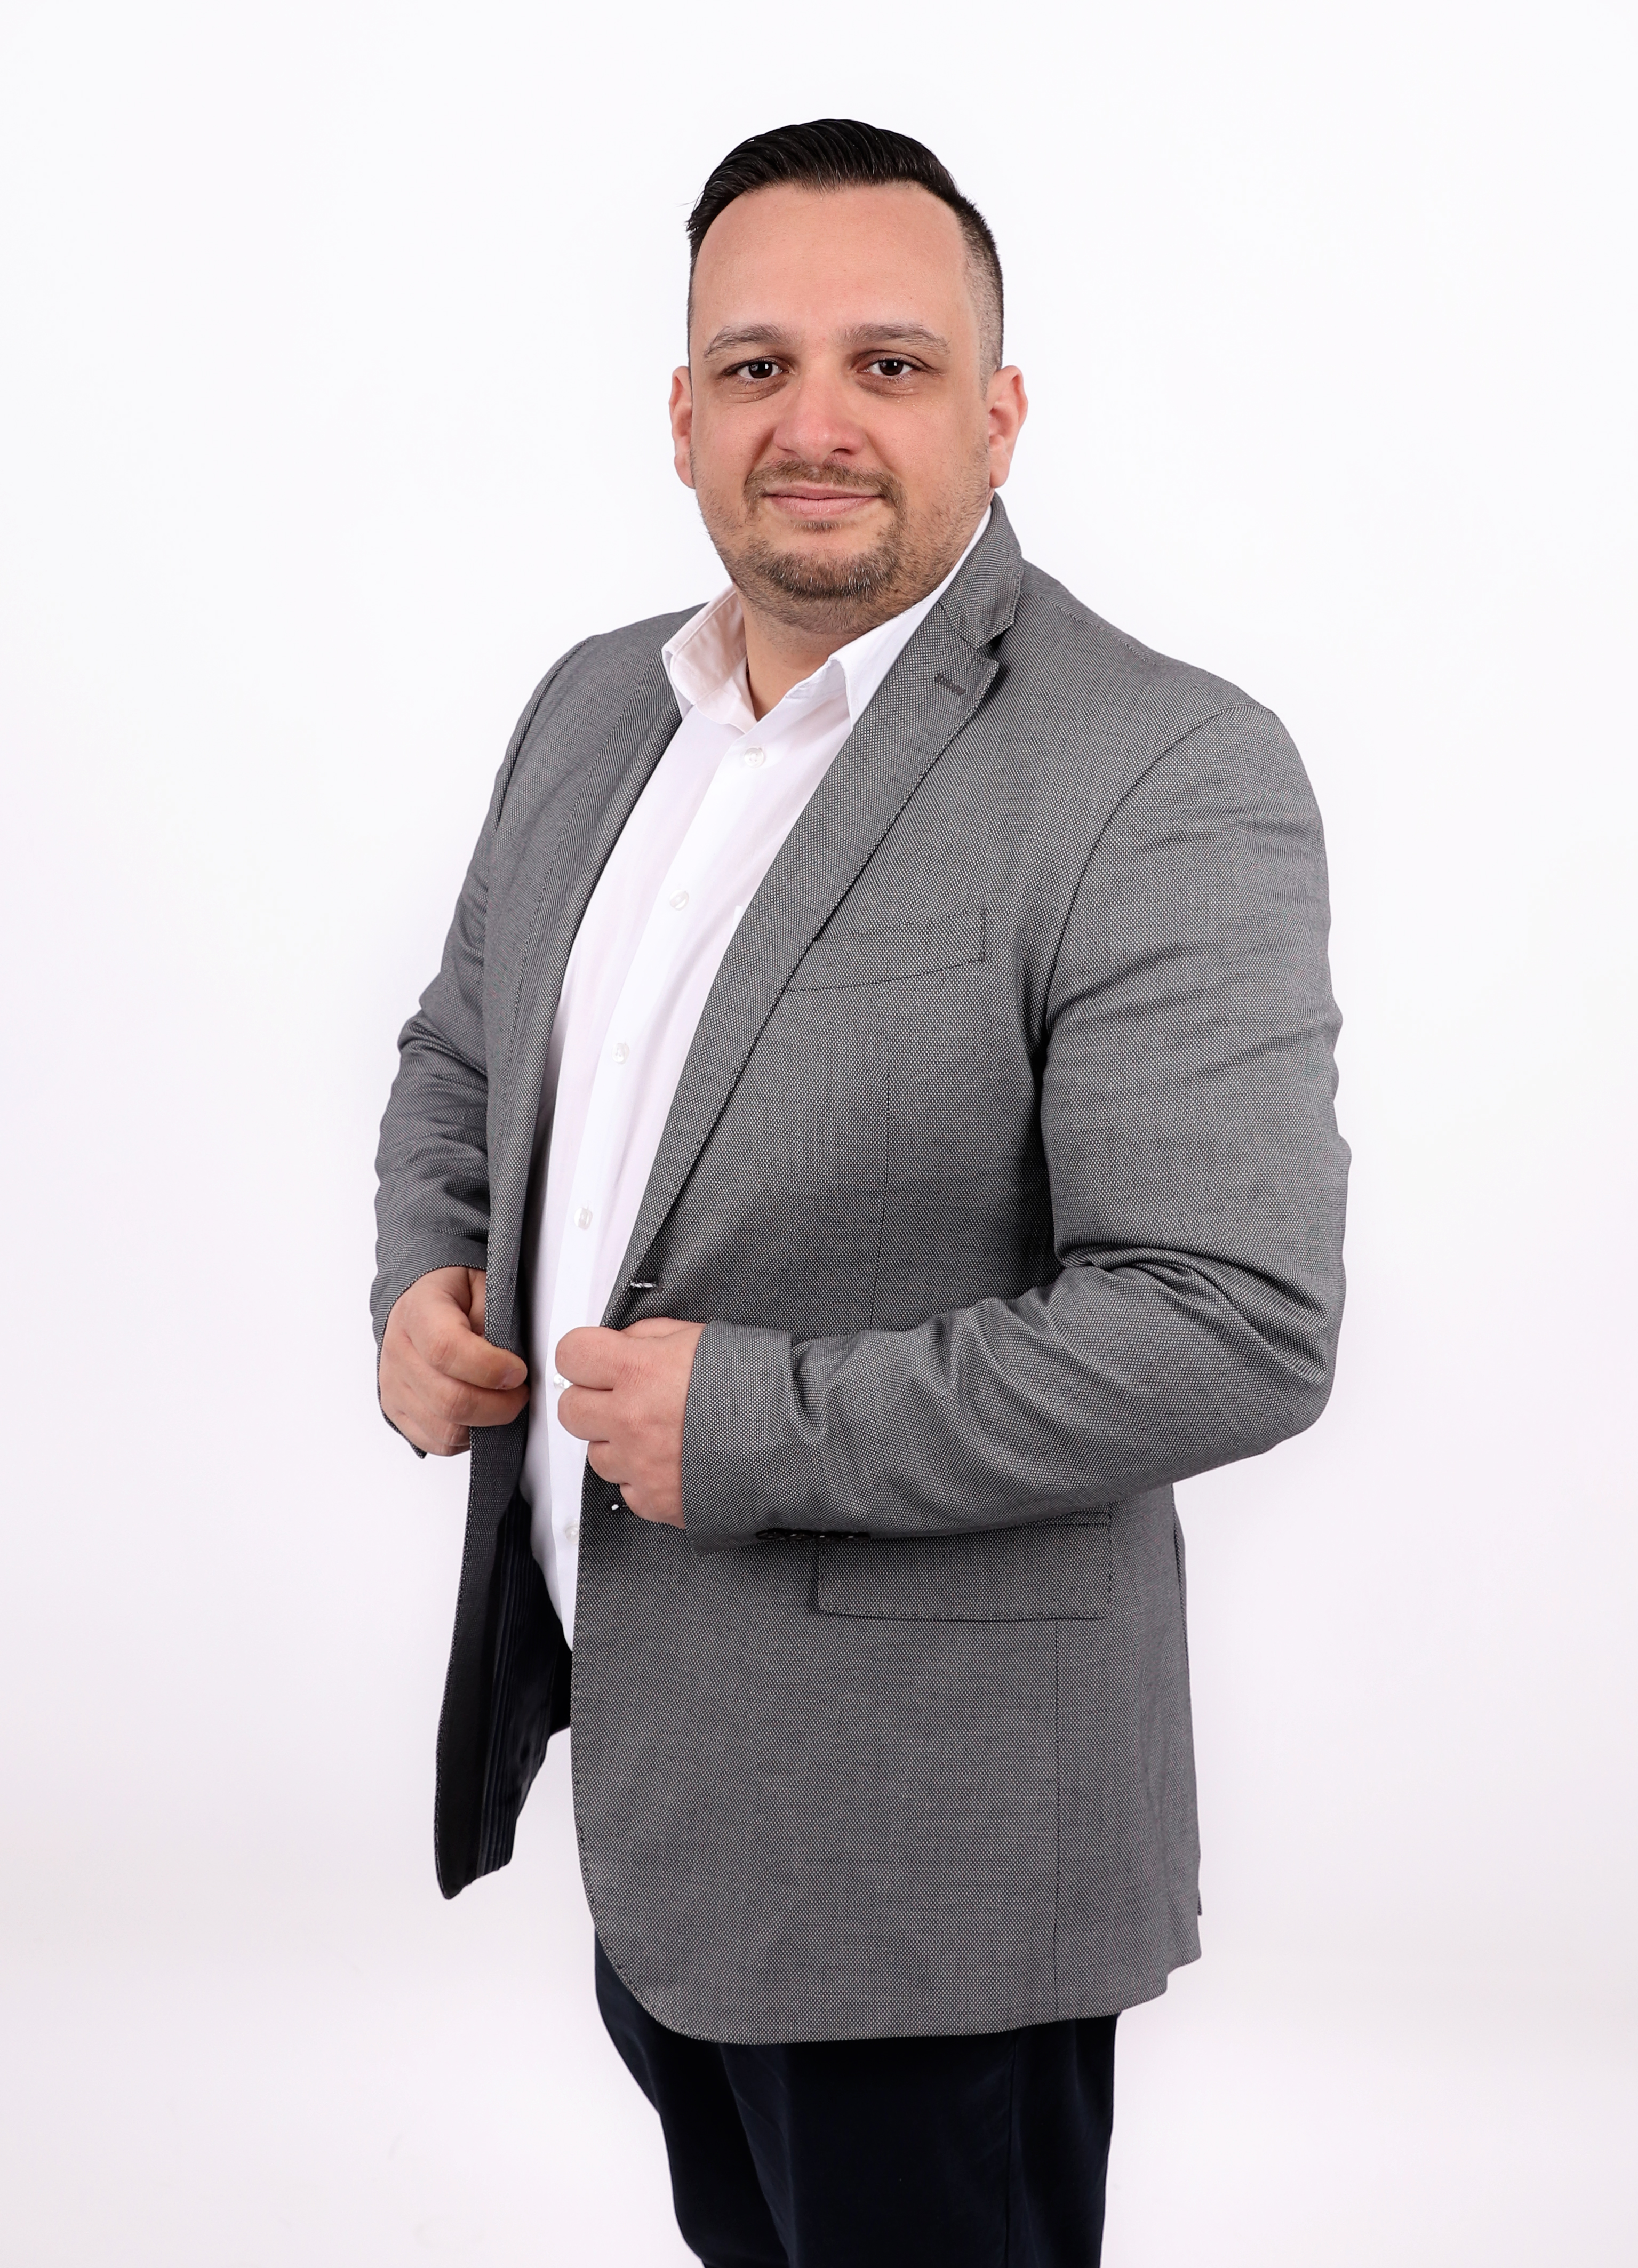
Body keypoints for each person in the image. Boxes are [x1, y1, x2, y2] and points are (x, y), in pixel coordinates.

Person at [372, 117, 1348, 2268]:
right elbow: (465, 1049)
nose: (813, 423)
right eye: (757, 365)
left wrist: (753, 1423)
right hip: (660, 1797)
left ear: (999, 415)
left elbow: (1233, 1319)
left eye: (890, 365)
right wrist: (430, 1272)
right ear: (682, 415)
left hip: (933, 1854)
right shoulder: (593, 711)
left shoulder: (1161, 767)